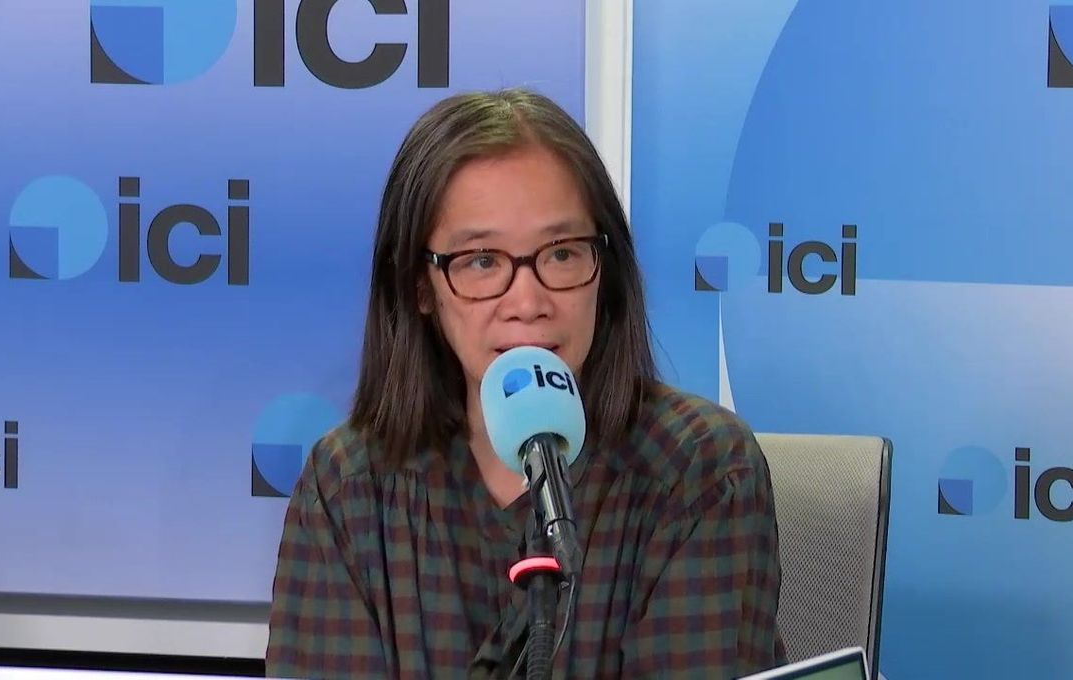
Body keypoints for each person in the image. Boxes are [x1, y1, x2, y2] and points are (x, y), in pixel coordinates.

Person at [265, 88, 787, 679]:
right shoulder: (348, 488)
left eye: (561, 254)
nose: (528, 302)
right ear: (420, 287)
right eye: (482, 261)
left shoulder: (699, 469)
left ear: (605, 270)